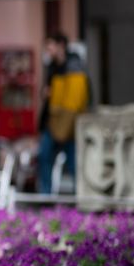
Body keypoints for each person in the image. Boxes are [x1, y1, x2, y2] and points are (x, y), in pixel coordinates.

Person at [37, 33, 90, 194]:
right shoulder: (52, 67)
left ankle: (78, 196)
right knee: (44, 158)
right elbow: (46, 94)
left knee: (73, 164)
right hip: (53, 123)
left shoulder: (74, 67)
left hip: (68, 125)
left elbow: (75, 102)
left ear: (61, 45)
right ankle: (46, 196)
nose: (48, 50)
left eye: (50, 45)